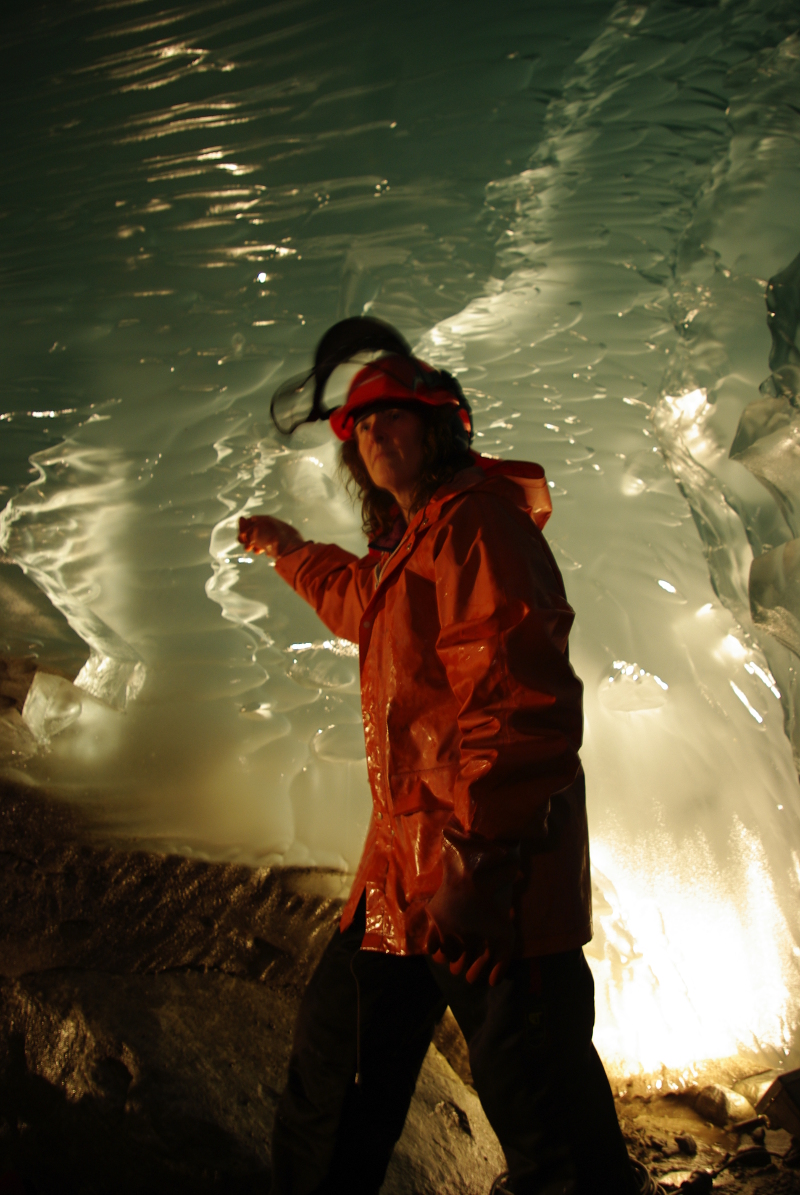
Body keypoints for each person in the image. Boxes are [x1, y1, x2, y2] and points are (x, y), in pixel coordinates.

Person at [238, 319, 639, 1195]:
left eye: (391, 417)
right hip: (401, 885)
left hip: (488, 891)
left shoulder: (477, 529)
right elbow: (362, 604)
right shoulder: (413, 543)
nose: (375, 433)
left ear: (439, 425)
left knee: (550, 1127)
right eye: (361, 425)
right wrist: (290, 550)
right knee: (331, 1090)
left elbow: (516, 701)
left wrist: (478, 864)